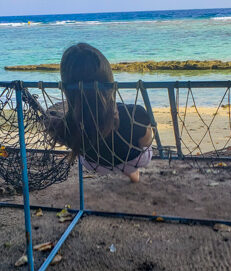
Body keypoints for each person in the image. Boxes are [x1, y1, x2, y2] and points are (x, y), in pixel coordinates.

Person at [43, 43, 153, 183]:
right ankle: (129, 170)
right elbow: (146, 142)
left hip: (94, 164)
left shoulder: (64, 124)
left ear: (66, 86)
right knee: (137, 146)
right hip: (134, 160)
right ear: (108, 77)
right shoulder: (134, 113)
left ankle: (129, 171)